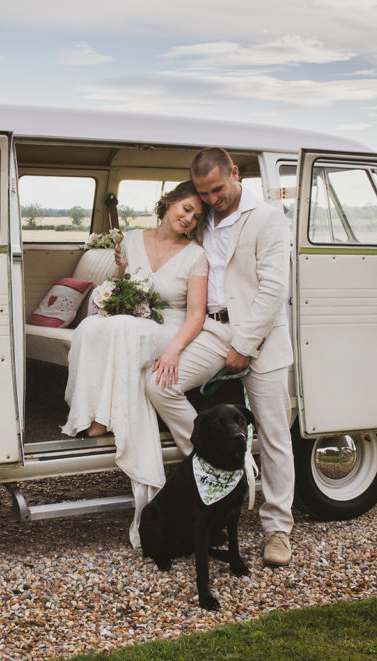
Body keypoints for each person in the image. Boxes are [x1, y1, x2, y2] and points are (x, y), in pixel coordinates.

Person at [145, 147, 296, 566]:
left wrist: (244, 347)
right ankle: (222, 465)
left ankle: (278, 531)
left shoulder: (267, 218)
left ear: (234, 173)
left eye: (217, 189)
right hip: (212, 327)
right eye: (203, 193)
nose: (211, 200)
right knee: (160, 385)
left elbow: (273, 290)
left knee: (274, 433)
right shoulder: (203, 216)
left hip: (260, 334)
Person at [62, 181, 209, 547]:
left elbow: (196, 315)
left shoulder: (196, 256)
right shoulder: (128, 240)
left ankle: (106, 420)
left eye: (197, 216)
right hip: (137, 316)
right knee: (91, 327)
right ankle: (90, 414)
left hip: (170, 325)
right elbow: (126, 287)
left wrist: (175, 349)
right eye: (186, 208)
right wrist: (113, 300)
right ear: (169, 202)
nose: (189, 219)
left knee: (124, 329)